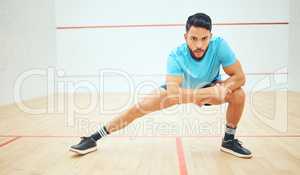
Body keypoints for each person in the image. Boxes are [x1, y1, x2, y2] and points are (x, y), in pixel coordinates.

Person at [70, 13, 252, 158]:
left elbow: (240, 77)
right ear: (185, 36)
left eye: (204, 39)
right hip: (177, 92)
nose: (199, 44)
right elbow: (173, 93)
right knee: (136, 109)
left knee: (239, 95)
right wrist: (208, 93)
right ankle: (93, 138)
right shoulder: (175, 55)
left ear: (210, 37)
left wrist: (221, 88)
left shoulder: (219, 46)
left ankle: (229, 140)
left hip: (207, 89)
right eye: (194, 38)